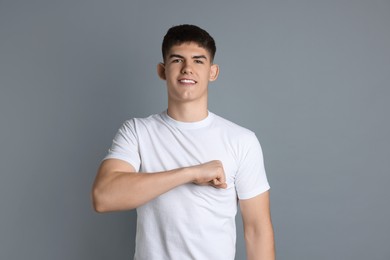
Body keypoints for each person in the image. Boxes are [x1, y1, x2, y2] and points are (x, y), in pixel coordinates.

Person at [92, 24, 275, 260]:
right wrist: (190, 173)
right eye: (178, 60)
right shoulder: (137, 131)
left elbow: (257, 231)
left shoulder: (241, 140)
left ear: (213, 72)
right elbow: (104, 197)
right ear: (162, 70)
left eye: (199, 61)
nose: (188, 69)